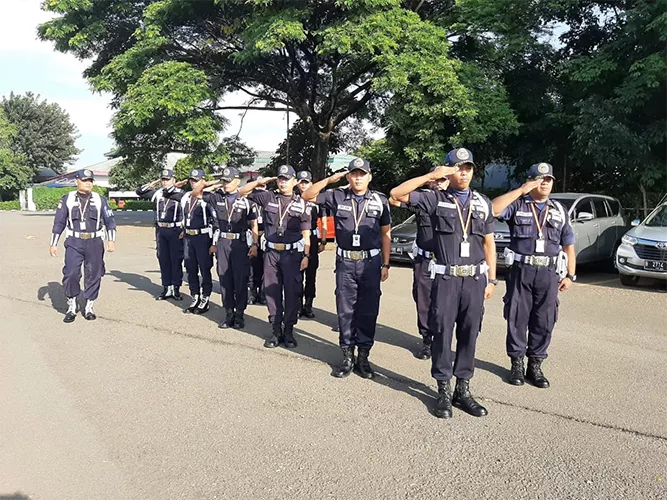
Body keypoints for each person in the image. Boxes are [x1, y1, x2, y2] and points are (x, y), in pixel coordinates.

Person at [390, 148, 497, 419]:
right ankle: (443, 389)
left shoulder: (482, 202)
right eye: (458, 167)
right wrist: (432, 175)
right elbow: (397, 194)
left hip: (474, 279)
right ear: (448, 170)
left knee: (470, 333)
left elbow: (489, 243)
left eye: (468, 167)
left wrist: (492, 279)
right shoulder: (435, 198)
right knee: (443, 332)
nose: (464, 172)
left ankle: (463, 389)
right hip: (447, 278)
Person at [302, 158, 391, 379]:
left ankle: (363, 357)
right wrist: (330, 180)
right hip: (345, 263)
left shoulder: (380, 200)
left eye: (362, 174)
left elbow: (386, 234)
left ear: (369, 176)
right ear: (348, 176)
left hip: (371, 262)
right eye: (354, 174)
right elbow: (307, 195)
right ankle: (347, 356)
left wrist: (386, 263)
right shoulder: (337, 196)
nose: (358, 178)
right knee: (345, 309)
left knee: (369, 310)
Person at [491, 162, 576, 388]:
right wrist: (521, 191)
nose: (545, 183)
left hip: (549, 272)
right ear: (530, 181)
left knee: (544, 320)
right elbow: (494, 210)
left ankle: (535, 365)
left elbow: (569, 245)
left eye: (548, 180)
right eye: (540, 179)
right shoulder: (517, 205)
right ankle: (516, 364)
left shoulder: (558, 210)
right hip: (521, 270)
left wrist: (571, 275)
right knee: (517, 317)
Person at [239, 165, 310, 348]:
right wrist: (259, 182)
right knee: (272, 291)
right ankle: (276, 329)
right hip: (271, 253)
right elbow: (242, 191)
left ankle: (289, 331)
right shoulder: (268, 196)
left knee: (293, 292)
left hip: (292, 254)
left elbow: (306, 231)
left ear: (294, 181)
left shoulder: (301, 202)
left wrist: (306, 255)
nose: (283, 182)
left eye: (287, 179)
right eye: (280, 179)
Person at [389, 171, 449, 360]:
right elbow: (394, 199)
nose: (439, 183)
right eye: (436, 180)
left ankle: (442, 339)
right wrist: (425, 180)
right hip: (424, 261)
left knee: (445, 302)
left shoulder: (455, 203)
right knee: (423, 300)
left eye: (442, 180)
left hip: (446, 262)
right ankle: (427, 340)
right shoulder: (423, 202)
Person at [49, 168, 117, 322]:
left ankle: (89, 306)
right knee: (71, 273)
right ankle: (72, 304)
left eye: (90, 181)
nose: (88, 183)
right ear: (77, 182)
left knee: (94, 274)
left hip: (94, 242)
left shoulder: (101, 200)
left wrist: (111, 240)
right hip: (74, 241)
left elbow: (110, 221)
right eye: (84, 180)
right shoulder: (67, 199)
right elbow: (59, 223)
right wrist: (53, 244)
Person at [203, 167, 259, 329]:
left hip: (240, 243)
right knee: (225, 279)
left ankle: (240, 314)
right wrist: (212, 183)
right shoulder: (216, 197)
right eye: (224, 181)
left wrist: (255, 244)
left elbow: (254, 224)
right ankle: (229, 313)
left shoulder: (247, 201)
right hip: (223, 243)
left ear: (237, 181)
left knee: (240, 279)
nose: (225, 184)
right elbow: (197, 192)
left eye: (228, 181)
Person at [136, 168, 186, 301]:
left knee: (175, 259)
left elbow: (188, 211)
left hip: (175, 230)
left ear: (173, 180)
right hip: (161, 230)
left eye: (167, 179)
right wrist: (153, 184)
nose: (165, 182)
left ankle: (176, 288)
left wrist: (184, 230)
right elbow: (140, 191)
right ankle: (166, 287)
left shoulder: (181, 193)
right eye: (163, 179)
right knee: (163, 258)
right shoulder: (158, 193)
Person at [180, 168, 218, 315]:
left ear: (203, 181)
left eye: (196, 180)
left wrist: (214, 243)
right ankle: (194, 296)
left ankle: (205, 298)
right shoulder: (186, 197)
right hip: (189, 237)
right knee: (190, 268)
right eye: (191, 180)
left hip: (203, 237)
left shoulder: (207, 198)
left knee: (204, 269)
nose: (193, 183)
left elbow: (215, 222)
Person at [295, 170, 328, 318]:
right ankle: (296, 304)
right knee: (296, 274)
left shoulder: (318, 199)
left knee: (311, 274)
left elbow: (324, 220)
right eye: (301, 182)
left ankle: (308, 305)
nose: (303, 185)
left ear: (311, 183)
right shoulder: (294, 199)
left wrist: (323, 240)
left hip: (313, 239)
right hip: (297, 238)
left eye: (306, 182)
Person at [248, 176, 267, 305]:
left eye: (262, 186)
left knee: (266, 266)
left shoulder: (270, 199)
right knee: (252, 266)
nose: (260, 189)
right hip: (252, 235)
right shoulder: (249, 200)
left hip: (266, 236)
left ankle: (264, 292)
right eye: (258, 186)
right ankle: (252, 291)